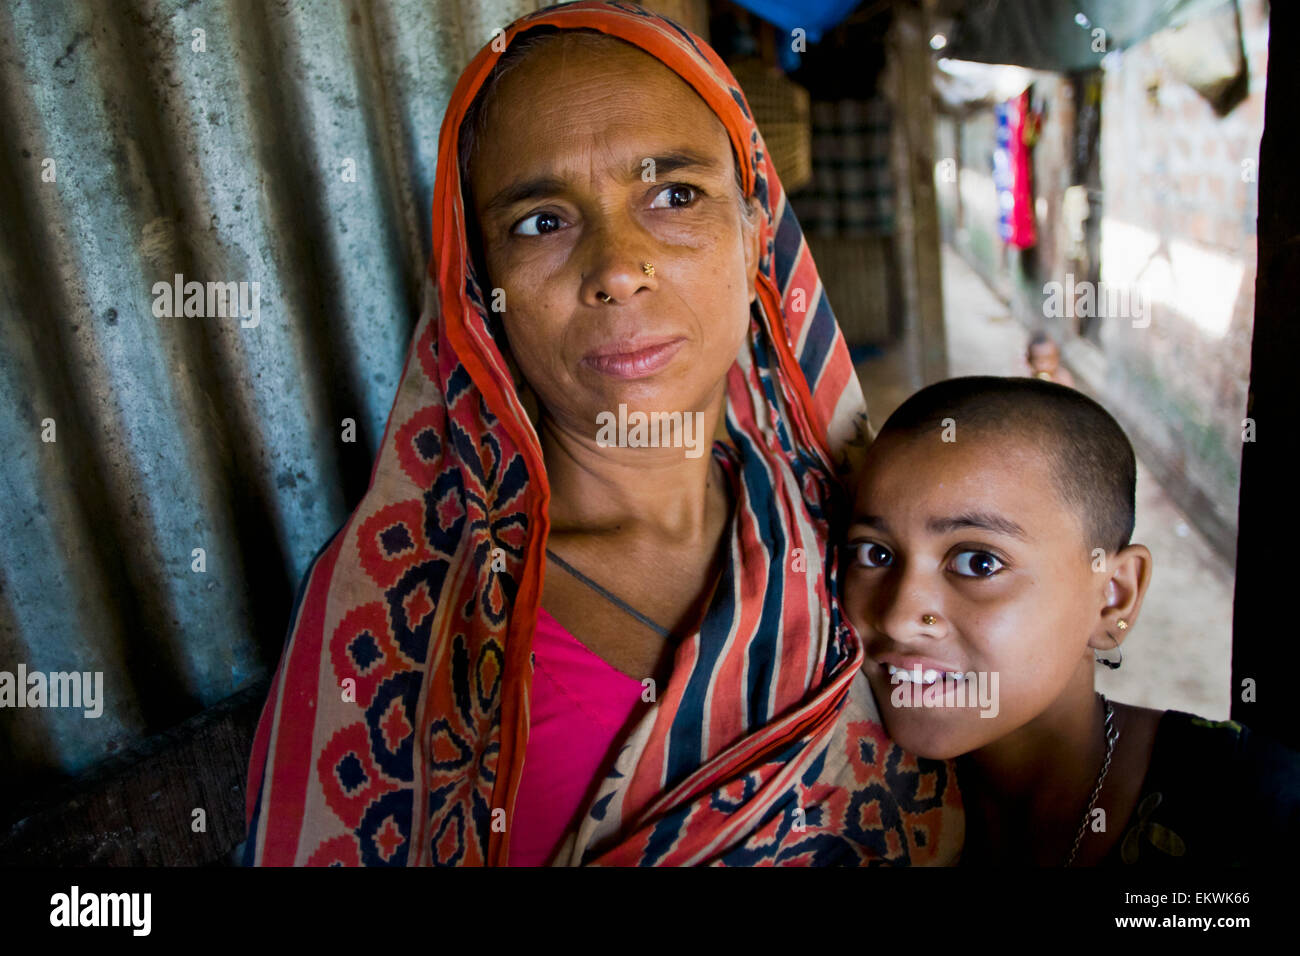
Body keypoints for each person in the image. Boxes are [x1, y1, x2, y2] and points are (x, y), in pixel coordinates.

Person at [243, 1, 961, 867]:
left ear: (753, 232)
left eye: (673, 195)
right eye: (541, 221)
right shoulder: (416, 622)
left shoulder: (852, 524)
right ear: (481, 291)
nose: (618, 268)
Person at [840, 376, 1300, 865]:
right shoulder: (840, 790)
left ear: (1112, 597)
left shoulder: (1258, 811)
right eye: (875, 553)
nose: (898, 618)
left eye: (979, 562)